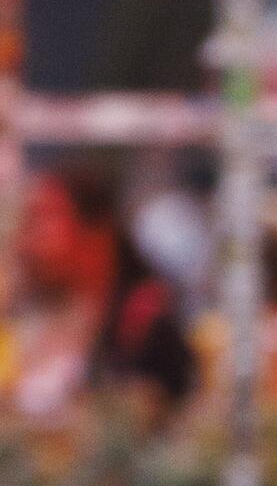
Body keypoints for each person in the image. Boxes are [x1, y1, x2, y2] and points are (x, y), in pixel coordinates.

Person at [7, 163, 196, 424]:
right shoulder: (37, 319)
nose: (25, 240)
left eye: (41, 219)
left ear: (96, 231)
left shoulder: (142, 322)